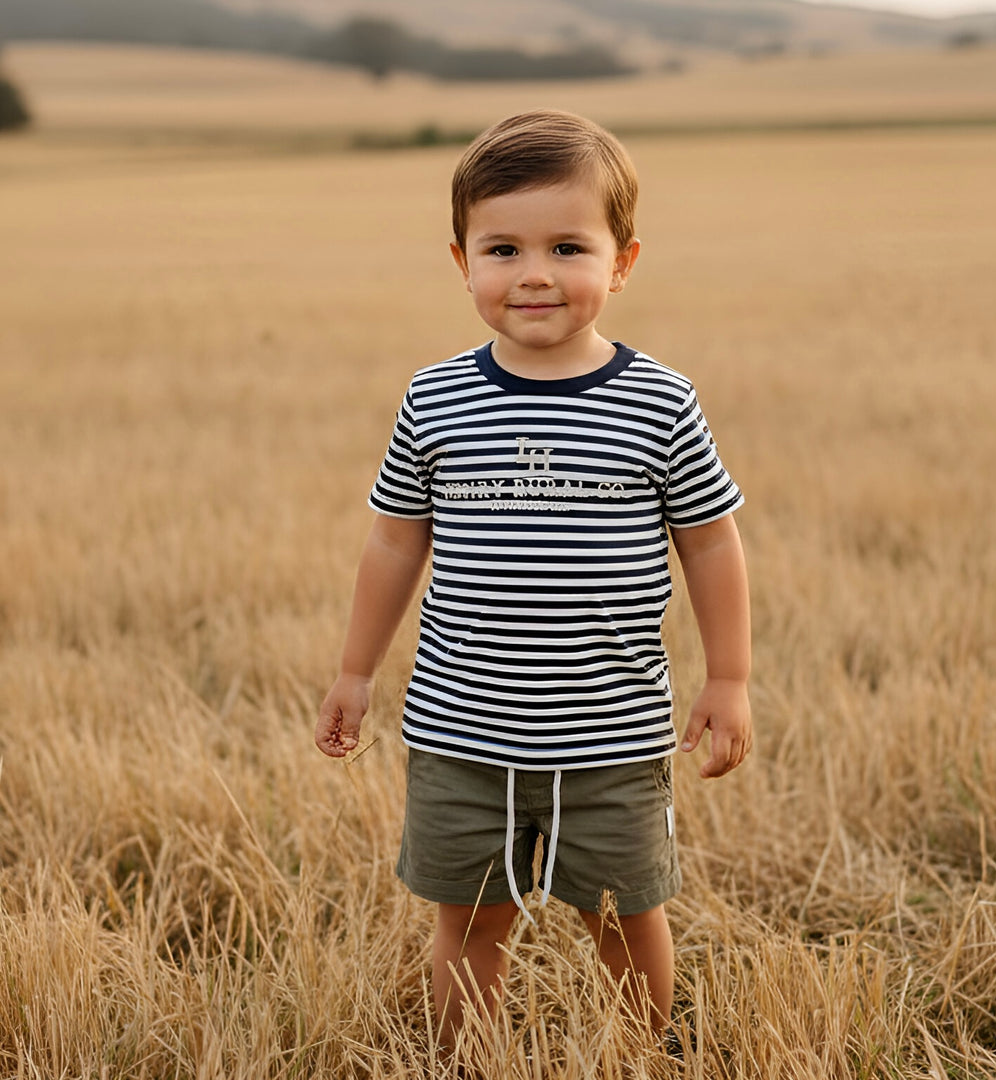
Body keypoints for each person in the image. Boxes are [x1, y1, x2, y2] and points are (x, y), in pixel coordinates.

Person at [314, 109, 752, 1048]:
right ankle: (462, 1063)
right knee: (469, 923)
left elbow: (711, 543)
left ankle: (642, 1057)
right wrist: (355, 670)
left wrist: (730, 679)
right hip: (459, 734)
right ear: (462, 261)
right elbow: (395, 542)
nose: (535, 274)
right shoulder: (435, 397)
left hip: (612, 734)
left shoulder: (659, 400)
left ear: (623, 261)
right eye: (503, 248)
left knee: (624, 919)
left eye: (568, 246)